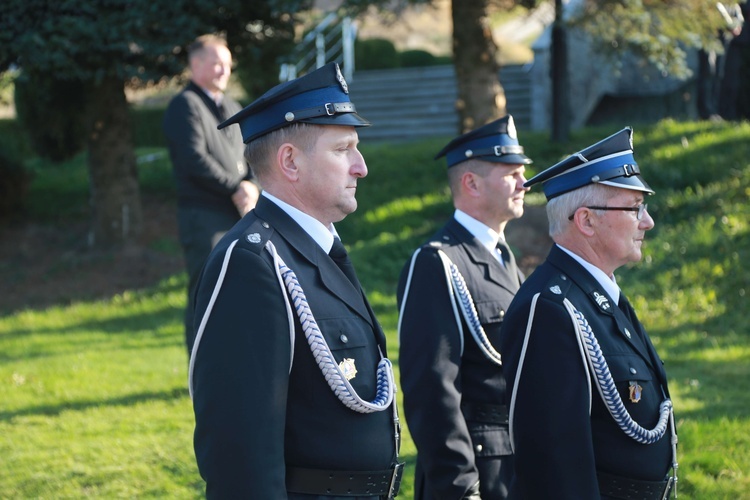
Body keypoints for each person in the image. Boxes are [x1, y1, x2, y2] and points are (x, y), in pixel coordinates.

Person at [188, 62, 403, 499]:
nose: (360, 167)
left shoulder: (317, 250)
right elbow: (239, 453)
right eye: (343, 149)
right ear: (290, 161)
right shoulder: (251, 260)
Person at [499, 128, 678, 499]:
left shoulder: (599, 296)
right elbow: (553, 466)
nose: (647, 222)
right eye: (634, 208)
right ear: (586, 221)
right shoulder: (550, 308)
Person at [397, 115, 532, 499]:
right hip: (476, 472)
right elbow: (433, 389)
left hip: (515, 468)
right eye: (511, 174)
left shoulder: (505, 259)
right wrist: (461, 486)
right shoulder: (438, 262)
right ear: (471, 183)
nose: (524, 183)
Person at [163, 34, 259, 355]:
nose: (224, 70)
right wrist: (235, 188)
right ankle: (201, 374)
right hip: (203, 217)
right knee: (206, 293)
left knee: (240, 294)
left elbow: (252, 155)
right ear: (195, 64)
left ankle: (234, 365)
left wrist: (251, 185)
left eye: (228, 64)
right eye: (217, 62)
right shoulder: (183, 106)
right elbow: (193, 161)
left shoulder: (233, 107)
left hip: (239, 217)